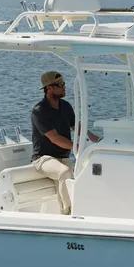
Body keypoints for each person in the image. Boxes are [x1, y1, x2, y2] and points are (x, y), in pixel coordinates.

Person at [30, 71, 98, 215]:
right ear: (49, 88)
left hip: (63, 157)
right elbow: (55, 138)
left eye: (64, 84)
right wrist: (78, 147)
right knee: (65, 172)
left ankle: (82, 210)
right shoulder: (39, 111)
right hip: (43, 159)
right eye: (60, 85)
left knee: (84, 173)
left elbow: (77, 126)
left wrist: (95, 139)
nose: (64, 87)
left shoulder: (65, 106)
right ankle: (69, 212)